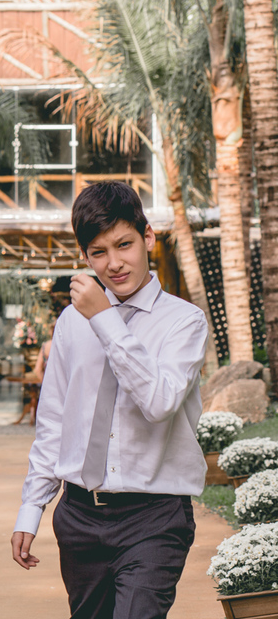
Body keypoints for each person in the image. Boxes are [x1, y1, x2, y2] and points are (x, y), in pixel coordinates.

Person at [12, 181, 208, 619]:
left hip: (154, 516)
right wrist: (32, 507)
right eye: (99, 252)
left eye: (124, 245)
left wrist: (103, 317)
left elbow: (158, 403)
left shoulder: (185, 322)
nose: (114, 263)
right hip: (79, 517)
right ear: (85, 257)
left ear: (148, 238)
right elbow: (55, 421)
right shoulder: (69, 323)